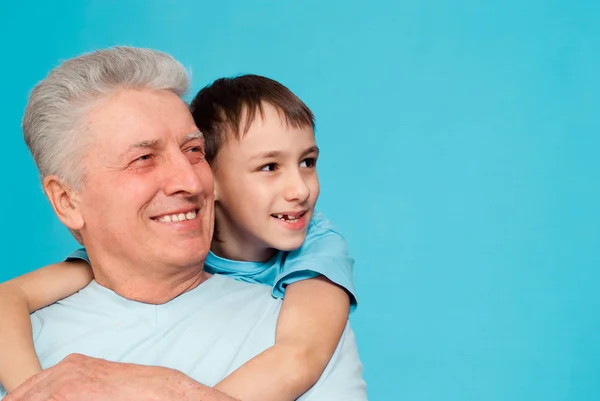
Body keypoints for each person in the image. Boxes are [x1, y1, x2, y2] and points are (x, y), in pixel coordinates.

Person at [0, 47, 366, 401]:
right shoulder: (25, 339)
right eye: (144, 158)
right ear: (67, 201)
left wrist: (161, 388)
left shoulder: (306, 316)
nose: (190, 182)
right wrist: (37, 390)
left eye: (193, 151)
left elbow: (300, 356)